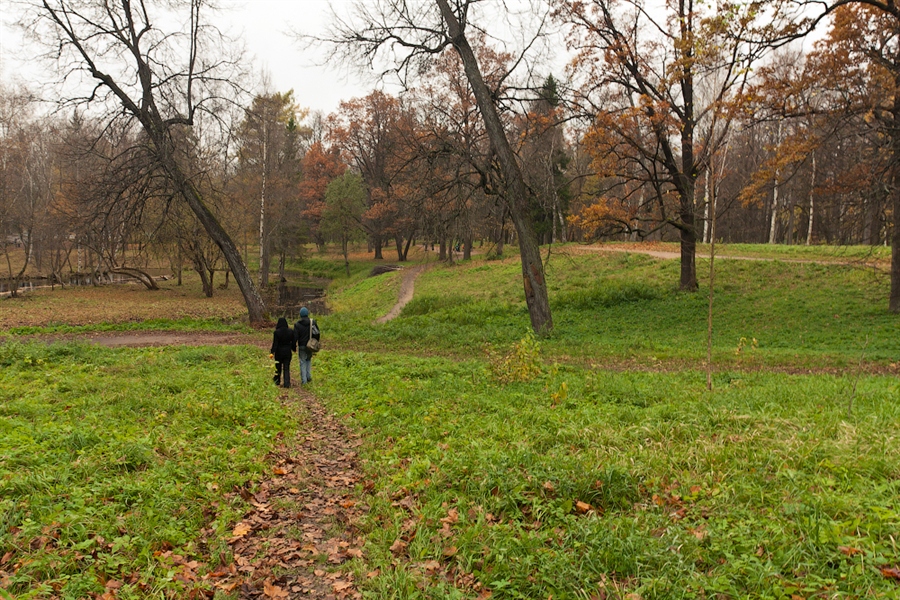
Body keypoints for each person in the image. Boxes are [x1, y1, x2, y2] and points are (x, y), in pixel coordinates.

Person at [293, 306, 319, 385]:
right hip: (310, 345)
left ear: (300, 315)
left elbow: (295, 337)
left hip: (302, 346)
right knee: (308, 360)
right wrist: (315, 343)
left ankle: (304, 381)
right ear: (307, 314)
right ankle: (308, 377)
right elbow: (317, 333)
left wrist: (294, 346)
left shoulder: (297, 324)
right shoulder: (312, 322)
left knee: (302, 361)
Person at [270, 317, 295, 388]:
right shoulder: (290, 331)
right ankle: (287, 383)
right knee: (286, 367)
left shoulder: (276, 332)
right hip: (287, 352)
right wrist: (293, 348)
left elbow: (275, 343)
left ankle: (277, 381)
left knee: (278, 367)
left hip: (279, 352)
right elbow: (293, 342)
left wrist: (272, 352)